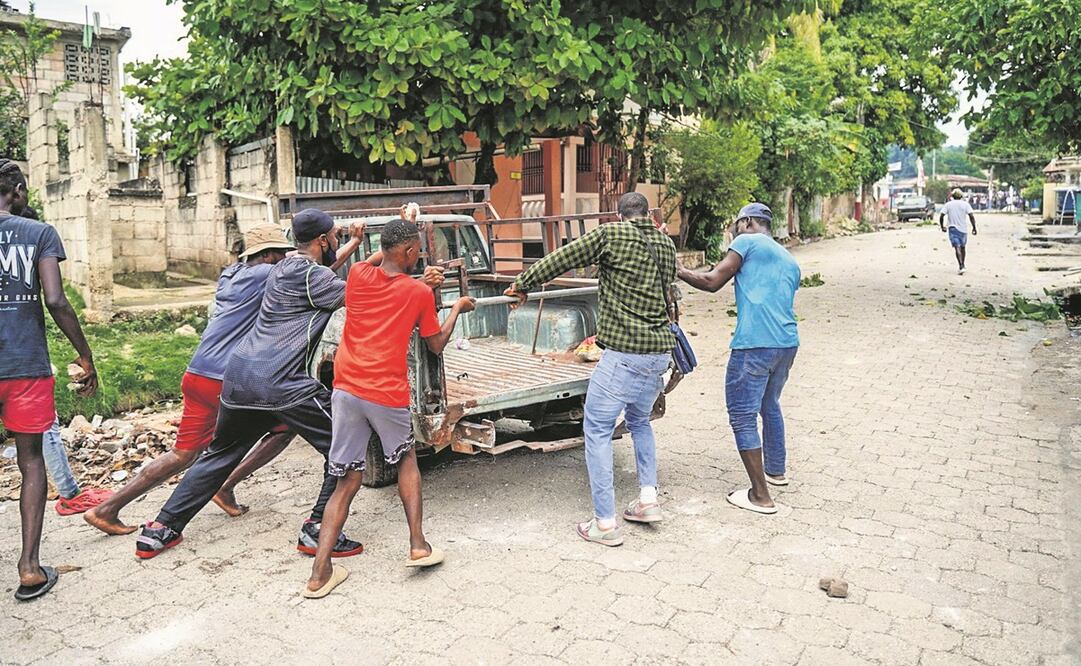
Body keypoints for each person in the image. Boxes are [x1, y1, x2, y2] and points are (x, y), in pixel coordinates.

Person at [136, 209, 442, 559]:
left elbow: (349, 273)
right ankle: (317, 530)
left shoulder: (282, 267)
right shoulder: (315, 278)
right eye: (336, 237)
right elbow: (370, 290)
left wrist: (368, 249)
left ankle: (161, 529)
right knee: (342, 449)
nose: (338, 242)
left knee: (219, 455)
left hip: (239, 376)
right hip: (280, 381)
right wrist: (420, 284)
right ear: (323, 241)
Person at [85, 225, 302, 536]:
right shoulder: (267, 274)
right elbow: (309, 274)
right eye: (281, 253)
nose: (284, 258)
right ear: (268, 255)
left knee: (182, 454)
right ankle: (224, 485)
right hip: (227, 380)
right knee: (283, 428)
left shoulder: (230, 275)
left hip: (198, 373)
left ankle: (106, 509)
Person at [304, 206, 474, 598]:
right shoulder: (418, 293)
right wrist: (456, 309)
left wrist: (404, 233)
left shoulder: (358, 275)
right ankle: (418, 545)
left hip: (346, 391)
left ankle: (319, 573)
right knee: (406, 462)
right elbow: (435, 344)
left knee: (347, 480)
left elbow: (384, 258)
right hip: (385, 393)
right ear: (412, 252)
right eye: (416, 250)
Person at [504, 192, 675, 547]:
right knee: (639, 422)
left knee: (596, 429)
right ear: (647, 214)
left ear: (619, 215)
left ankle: (605, 523)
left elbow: (563, 258)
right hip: (659, 354)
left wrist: (523, 283)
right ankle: (647, 500)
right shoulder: (665, 243)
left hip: (625, 355)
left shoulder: (611, 234)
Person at [0, 158, 98, 600]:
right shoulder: (39, 233)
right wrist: (85, 354)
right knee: (31, 461)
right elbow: (56, 299)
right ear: (18, 191)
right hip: (24, 366)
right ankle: (29, 568)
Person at [677, 203, 800, 515]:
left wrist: (678, 270)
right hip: (787, 343)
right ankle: (776, 471)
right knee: (769, 403)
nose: (733, 231)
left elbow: (712, 282)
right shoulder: (788, 258)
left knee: (743, 415)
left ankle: (760, 495)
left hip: (754, 344)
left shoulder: (746, 241)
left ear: (746, 222)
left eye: (735, 224)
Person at [940, 188, 977, 275]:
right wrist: (974, 227)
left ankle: (961, 265)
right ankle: (962, 264)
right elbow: (971, 216)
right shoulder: (965, 204)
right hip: (963, 229)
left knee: (957, 247)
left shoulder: (948, 205)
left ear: (952, 196)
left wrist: (942, 226)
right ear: (961, 196)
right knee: (963, 247)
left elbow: (941, 216)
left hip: (952, 228)